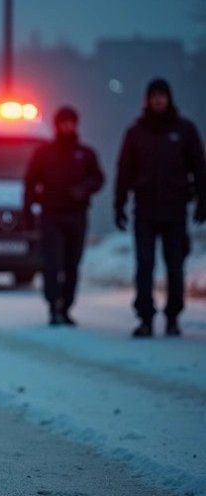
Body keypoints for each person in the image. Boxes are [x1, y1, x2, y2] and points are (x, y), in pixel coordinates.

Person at [114, 78, 206, 338]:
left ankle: (173, 316)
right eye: (154, 96)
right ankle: (145, 317)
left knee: (175, 266)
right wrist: (119, 204)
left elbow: (199, 167)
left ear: (169, 98)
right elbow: (124, 171)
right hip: (144, 209)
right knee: (144, 266)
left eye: (162, 96)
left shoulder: (184, 131)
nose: (158, 101)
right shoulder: (136, 132)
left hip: (175, 209)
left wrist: (202, 200)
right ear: (147, 99)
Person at [24, 106, 104, 326]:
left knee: (71, 263)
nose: (67, 126)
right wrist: (28, 210)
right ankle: (53, 305)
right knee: (52, 263)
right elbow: (30, 182)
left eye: (70, 122)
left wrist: (84, 188)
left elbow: (98, 178)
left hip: (76, 215)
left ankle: (66, 305)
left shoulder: (85, 154)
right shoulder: (44, 153)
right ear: (56, 125)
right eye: (63, 122)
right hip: (51, 215)